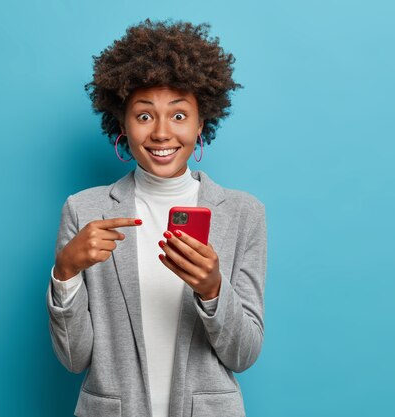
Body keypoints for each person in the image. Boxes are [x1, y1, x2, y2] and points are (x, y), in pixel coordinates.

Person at [46, 18, 267, 417]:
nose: (162, 133)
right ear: (122, 124)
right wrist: (65, 273)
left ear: (202, 123)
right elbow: (73, 359)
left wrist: (214, 290)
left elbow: (244, 353)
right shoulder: (84, 210)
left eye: (179, 116)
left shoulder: (243, 213)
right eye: (144, 116)